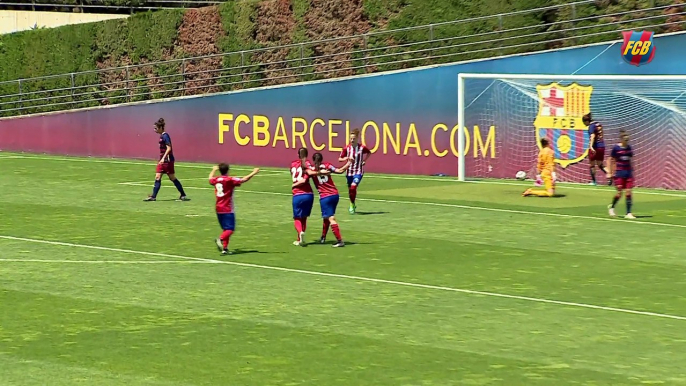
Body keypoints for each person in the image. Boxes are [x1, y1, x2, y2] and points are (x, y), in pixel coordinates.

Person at [210, 163, 259, 255]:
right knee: (230, 229)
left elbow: (210, 179)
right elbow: (243, 179)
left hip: (218, 207)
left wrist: (213, 170)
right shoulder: (229, 180)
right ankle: (220, 239)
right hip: (227, 207)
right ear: (228, 170)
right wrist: (254, 172)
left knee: (226, 228)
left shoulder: (216, 180)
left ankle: (225, 249)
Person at [144, 118, 189, 202]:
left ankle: (183, 194)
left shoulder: (165, 136)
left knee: (172, 178)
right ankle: (153, 196)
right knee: (157, 177)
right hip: (162, 161)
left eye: (156, 128)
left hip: (168, 161)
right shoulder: (162, 136)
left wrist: (163, 158)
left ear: (161, 127)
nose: (155, 130)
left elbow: (169, 148)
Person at [311, 152, 350, 247]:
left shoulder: (312, 170)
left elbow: (306, 174)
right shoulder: (328, 165)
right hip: (335, 195)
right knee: (327, 217)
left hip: (325, 196)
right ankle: (323, 237)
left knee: (330, 218)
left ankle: (340, 240)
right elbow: (340, 171)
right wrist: (349, 163)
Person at [339, 129, 371, 214]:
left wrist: (364, 160)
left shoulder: (362, 148)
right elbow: (340, 159)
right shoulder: (346, 148)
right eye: (351, 138)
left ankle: (352, 204)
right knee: (351, 190)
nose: (352, 140)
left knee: (353, 186)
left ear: (357, 139)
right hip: (349, 172)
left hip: (358, 171)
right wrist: (347, 158)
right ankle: (352, 203)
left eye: (353, 138)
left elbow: (369, 152)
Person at [291, 147, 316, 246]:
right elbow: (307, 176)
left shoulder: (293, 164)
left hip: (298, 194)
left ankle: (300, 232)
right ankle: (300, 239)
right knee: (304, 217)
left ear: (298, 155)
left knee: (297, 218)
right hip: (309, 194)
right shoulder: (308, 164)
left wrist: (295, 184)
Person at [608, 130, 635, 219]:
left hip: (628, 173)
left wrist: (632, 171)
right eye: (625, 140)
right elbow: (611, 160)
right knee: (619, 193)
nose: (627, 142)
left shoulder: (629, 148)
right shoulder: (616, 148)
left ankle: (628, 213)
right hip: (619, 173)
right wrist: (610, 172)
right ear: (621, 140)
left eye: (628, 140)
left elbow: (631, 160)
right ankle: (612, 207)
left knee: (628, 193)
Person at [584, 113, 609, 186]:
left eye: (584, 122)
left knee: (592, 164)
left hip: (595, 147)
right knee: (600, 164)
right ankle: (610, 175)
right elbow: (601, 134)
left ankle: (594, 182)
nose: (584, 124)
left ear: (586, 121)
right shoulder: (598, 124)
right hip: (601, 146)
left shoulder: (591, 126)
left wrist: (591, 146)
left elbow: (592, 136)